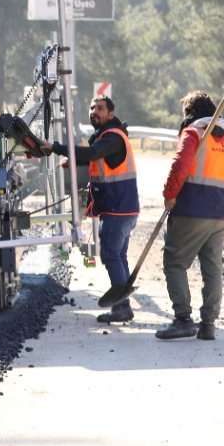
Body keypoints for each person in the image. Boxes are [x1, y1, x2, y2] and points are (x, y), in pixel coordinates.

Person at [156, 91, 224, 342]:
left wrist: (170, 194)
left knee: (174, 262)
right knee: (212, 268)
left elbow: (180, 165)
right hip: (219, 212)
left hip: (191, 208)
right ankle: (208, 325)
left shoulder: (193, 133)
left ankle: (183, 319)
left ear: (190, 112)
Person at [50, 95, 140, 325]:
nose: (94, 112)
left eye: (100, 108)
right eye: (92, 108)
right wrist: (74, 161)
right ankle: (124, 306)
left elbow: (92, 154)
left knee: (111, 255)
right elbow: (96, 158)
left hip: (117, 209)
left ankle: (122, 307)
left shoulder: (112, 137)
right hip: (122, 208)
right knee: (118, 256)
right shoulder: (106, 137)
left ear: (111, 113)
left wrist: (55, 148)